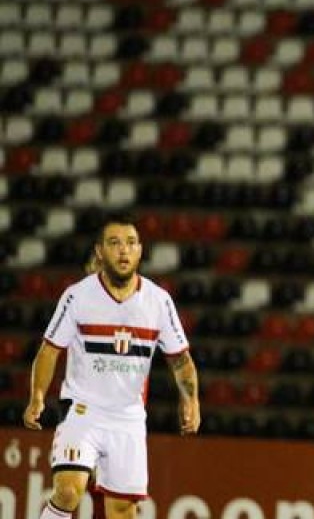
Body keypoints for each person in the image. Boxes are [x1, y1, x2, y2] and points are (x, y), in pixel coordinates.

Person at [22, 215, 201, 519]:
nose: (123, 251)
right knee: (68, 490)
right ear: (99, 251)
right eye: (114, 243)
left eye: (131, 243)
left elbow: (180, 359)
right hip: (82, 410)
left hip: (128, 418)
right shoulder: (78, 296)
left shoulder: (158, 301)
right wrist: (37, 395)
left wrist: (191, 400)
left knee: (122, 511)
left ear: (140, 251)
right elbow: (50, 351)